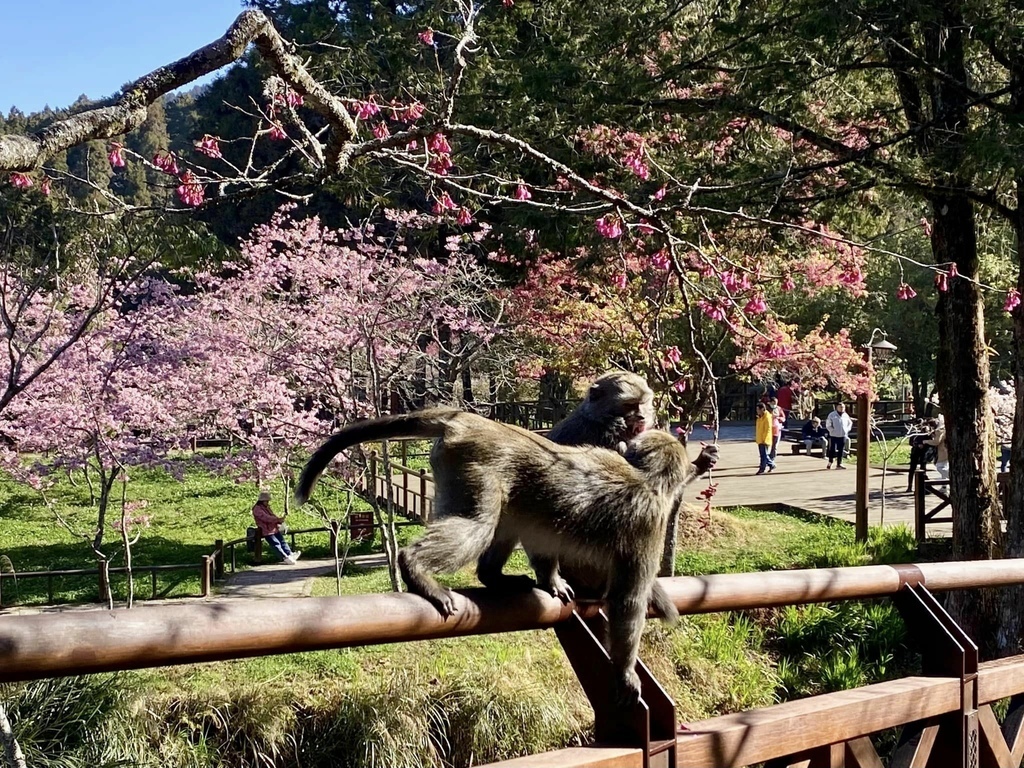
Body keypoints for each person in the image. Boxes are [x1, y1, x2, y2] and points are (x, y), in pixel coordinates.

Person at [252, 491, 302, 564]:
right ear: (262, 501)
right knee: (276, 544)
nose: (268, 502)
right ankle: (285, 557)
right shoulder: (257, 509)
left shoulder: (266, 507)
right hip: (267, 530)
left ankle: (290, 554)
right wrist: (277, 519)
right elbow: (266, 518)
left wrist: (278, 521)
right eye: (267, 501)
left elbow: (272, 515)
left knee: (282, 542)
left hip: (274, 528)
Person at [906, 418, 937, 492]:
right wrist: (916, 444)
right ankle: (909, 486)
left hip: (924, 452)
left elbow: (930, 441)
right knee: (912, 469)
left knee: (923, 469)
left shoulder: (926, 431)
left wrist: (924, 444)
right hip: (915, 452)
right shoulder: (914, 432)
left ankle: (924, 486)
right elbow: (911, 442)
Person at [825, 402, 852, 470]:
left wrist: (847, 430)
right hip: (834, 435)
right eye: (840, 407)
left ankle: (839, 464)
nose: (842, 408)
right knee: (832, 449)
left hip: (843, 435)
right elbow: (828, 424)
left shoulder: (846, 415)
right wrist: (831, 430)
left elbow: (850, 423)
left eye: (843, 407)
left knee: (841, 450)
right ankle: (830, 462)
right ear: (837, 408)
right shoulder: (832, 415)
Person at [925, 415, 949, 479]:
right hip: (944, 450)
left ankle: (951, 477)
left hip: (943, 451)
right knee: (945, 466)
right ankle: (944, 485)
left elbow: (936, 442)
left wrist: (926, 441)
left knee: (940, 467)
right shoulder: (942, 429)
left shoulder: (939, 430)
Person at [755, 402, 775, 474]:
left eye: (758, 409)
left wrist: (765, 439)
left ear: (763, 409)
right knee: (763, 455)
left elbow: (768, 429)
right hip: (760, 438)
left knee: (764, 455)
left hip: (765, 439)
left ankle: (762, 468)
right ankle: (771, 464)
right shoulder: (759, 417)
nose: (757, 411)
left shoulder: (767, 417)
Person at [769, 396, 785, 461]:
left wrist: (779, 418)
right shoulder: (767, 409)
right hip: (769, 428)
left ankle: (772, 458)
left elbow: (783, 418)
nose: (775, 404)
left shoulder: (779, 408)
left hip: (777, 428)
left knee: (775, 445)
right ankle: (767, 459)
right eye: (773, 403)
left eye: (776, 403)